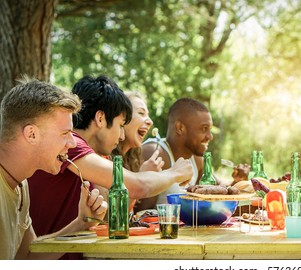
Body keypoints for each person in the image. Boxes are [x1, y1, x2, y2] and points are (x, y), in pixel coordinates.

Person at [27, 75, 193, 255]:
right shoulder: (71, 145)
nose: (121, 136)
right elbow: (137, 186)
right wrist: (175, 172)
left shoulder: (93, 154)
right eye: (120, 125)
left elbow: (110, 214)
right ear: (100, 118)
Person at [0, 77, 107, 260]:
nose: (72, 143)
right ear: (31, 134)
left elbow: (27, 257)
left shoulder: (20, 185)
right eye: (65, 134)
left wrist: (80, 224)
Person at [135, 97, 248, 211]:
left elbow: (217, 187)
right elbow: (140, 212)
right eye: (204, 128)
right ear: (180, 128)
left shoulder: (196, 159)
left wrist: (237, 180)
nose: (210, 136)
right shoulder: (155, 153)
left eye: (210, 129)